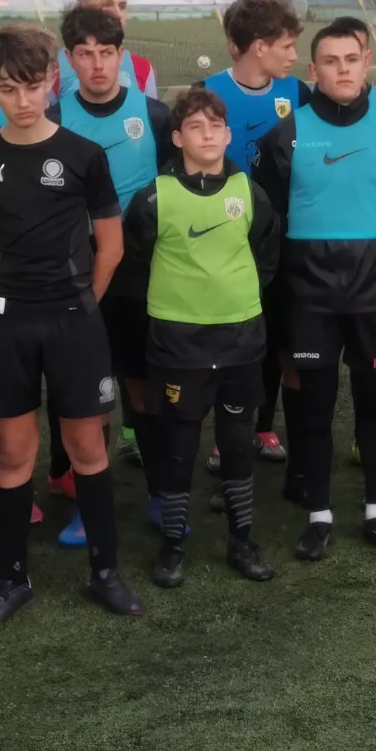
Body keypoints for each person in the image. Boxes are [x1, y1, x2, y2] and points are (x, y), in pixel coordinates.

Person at [0, 25, 147, 625]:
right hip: (7, 326)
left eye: (33, 86)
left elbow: (110, 246)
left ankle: (105, 572)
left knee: (87, 446)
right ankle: (12, 579)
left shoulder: (83, 155)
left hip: (73, 322)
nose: (23, 100)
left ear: (50, 82)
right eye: (8, 88)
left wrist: (79, 303)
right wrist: (9, 299)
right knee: (15, 453)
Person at [252, 17, 376, 561]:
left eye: (352, 59)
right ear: (314, 69)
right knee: (314, 408)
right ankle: (319, 516)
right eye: (331, 62)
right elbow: (269, 220)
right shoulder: (287, 135)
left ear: (366, 63)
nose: (343, 70)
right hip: (311, 299)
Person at [122, 87, 280, 586]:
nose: (207, 135)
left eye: (215, 126)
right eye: (195, 126)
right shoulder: (152, 198)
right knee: (178, 446)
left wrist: (231, 298)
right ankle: (173, 544)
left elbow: (267, 258)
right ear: (177, 138)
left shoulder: (250, 194)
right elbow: (135, 265)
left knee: (237, 443)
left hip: (240, 339)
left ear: (229, 135)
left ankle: (242, 540)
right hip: (178, 344)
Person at [50, 4, 176, 497]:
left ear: (122, 55)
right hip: (77, 269)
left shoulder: (156, 116)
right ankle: (83, 493)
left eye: (106, 52)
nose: (97, 64)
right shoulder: (55, 120)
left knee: (143, 385)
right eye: (85, 54)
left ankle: (161, 494)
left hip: (143, 270)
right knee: (85, 390)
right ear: (69, 59)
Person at [204, 0, 306, 464]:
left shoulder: (299, 95)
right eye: (287, 45)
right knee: (227, 340)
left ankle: (263, 427)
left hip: (283, 240)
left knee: (279, 337)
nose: (293, 56)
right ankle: (225, 435)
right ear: (260, 46)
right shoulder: (208, 95)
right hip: (222, 241)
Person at [56, 0, 159, 101]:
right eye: (107, 5)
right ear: (81, 8)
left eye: (122, 6)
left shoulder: (142, 69)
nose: (118, 15)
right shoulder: (52, 69)